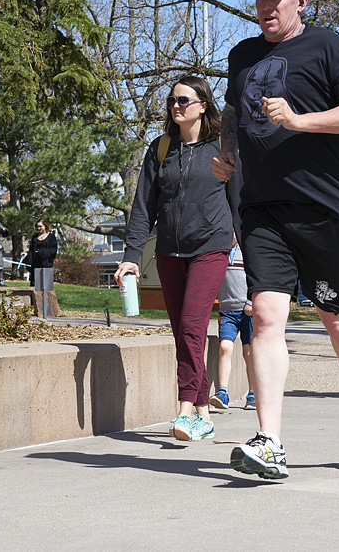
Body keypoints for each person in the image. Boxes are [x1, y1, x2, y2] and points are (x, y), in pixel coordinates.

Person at [212, 0, 339, 479]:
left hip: (321, 207)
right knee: (265, 316)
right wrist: (227, 151)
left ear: (300, 0)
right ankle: (270, 441)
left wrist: (299, 120)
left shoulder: (328, 46)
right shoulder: (242, 55)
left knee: (338, 319)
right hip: (261, 208)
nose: (265, 7)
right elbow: (233, 113)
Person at [115, 75, 241, 443]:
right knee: (184, 334)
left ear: (203, 105)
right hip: (169, 251)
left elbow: (240, 201)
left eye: (183, 100)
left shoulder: (222, 148)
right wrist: (131, 256)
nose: (175, 106)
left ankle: (184, 410)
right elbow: (144, 207)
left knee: (191, 327)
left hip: (211, 248)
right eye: (172, 100)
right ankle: (204, 414)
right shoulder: (161, 148)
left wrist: (252, 251)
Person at [209, 239, 256, 411]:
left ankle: (253, 393)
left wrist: (251, 301)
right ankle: (223, 392)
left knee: (249, 352)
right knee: (225, 347)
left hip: (247, 312)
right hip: (227, 311)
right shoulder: (218, 252)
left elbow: (256, 278)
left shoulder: (247, 251)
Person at [28, 219, 58, 287]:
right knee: (35, 287)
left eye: (40, 226)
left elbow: (53, 251)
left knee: (46, 288)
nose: (38, 228)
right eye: (37, 226)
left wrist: (41, 252)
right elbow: (31, 250)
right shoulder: (35, 237)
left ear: (45, 226)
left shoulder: (51, 237)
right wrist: (26, 254)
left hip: (46, 265)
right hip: (35, 266)